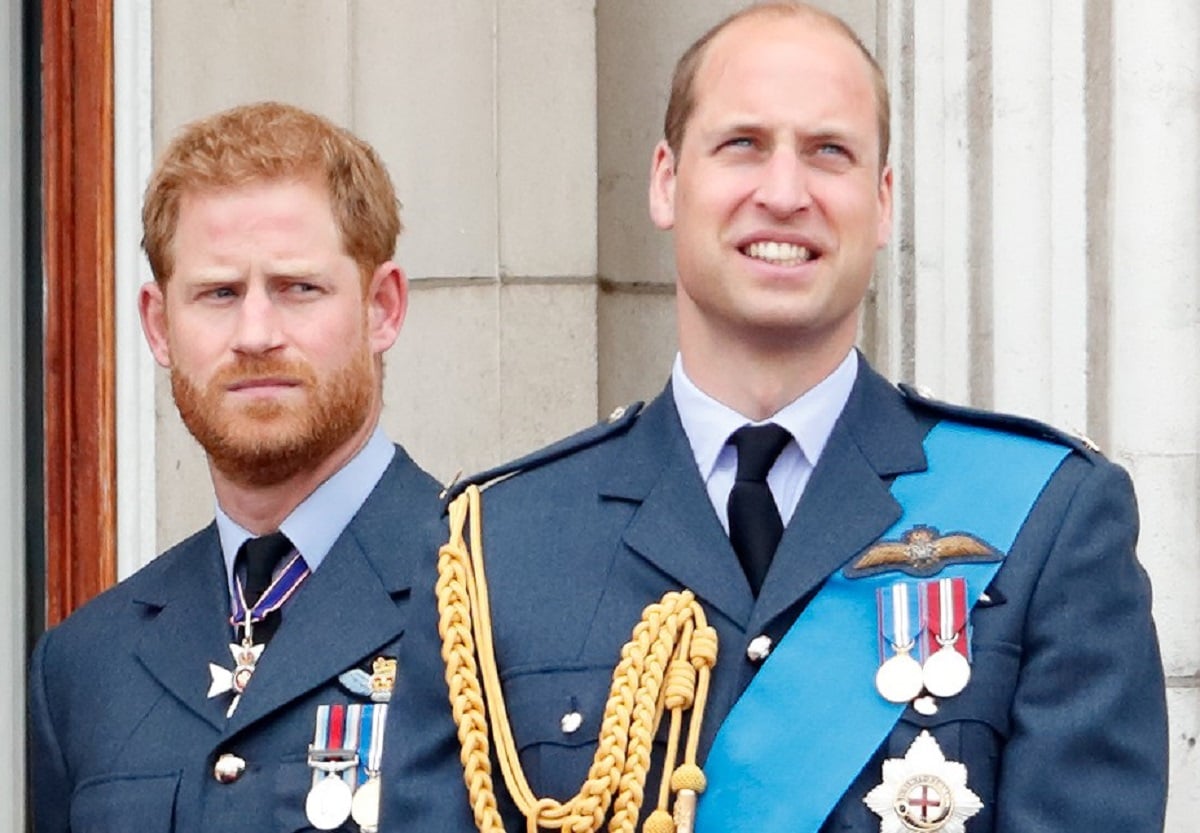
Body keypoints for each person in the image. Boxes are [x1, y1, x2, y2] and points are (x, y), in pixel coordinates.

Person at [433, 4, 1168, 832]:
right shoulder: (498, 543)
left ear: (883, 201)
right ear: (667, 181)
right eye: (742, 143)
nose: (784, 193)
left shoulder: (1050, 523)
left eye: (830, 152)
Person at [29, 102, 465, 832]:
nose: (256, 334)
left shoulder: (489, 602)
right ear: (159, 325)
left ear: (382, 306)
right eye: (219, 293)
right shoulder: (84, 667)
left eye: (298, 287)